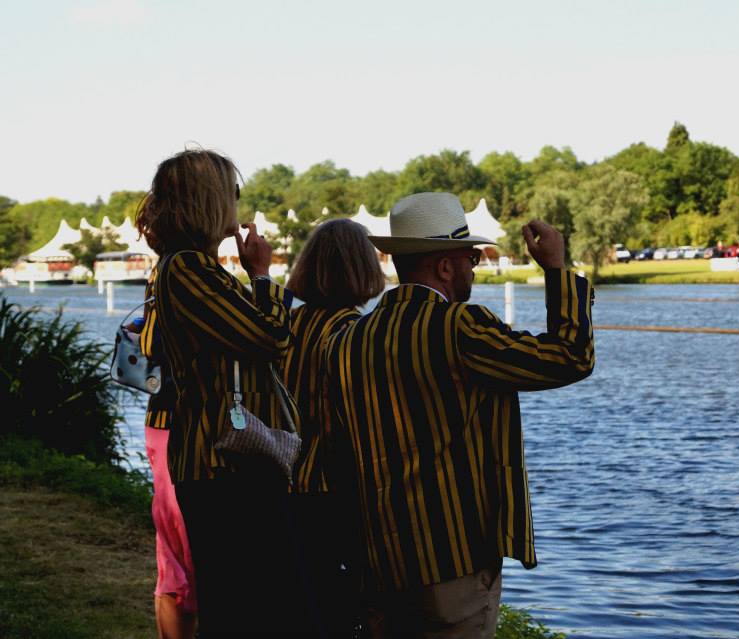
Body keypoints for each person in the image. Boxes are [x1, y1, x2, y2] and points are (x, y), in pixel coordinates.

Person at [322, 192, 595, 638]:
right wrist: (556, 271)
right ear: (445, 266)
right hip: (452, 560)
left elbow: (332, 451)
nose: (476, 267)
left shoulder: (347, 340)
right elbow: (570, 356)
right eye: (470, 257)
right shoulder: (459, 328)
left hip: (376, 561)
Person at [136, 149, 317, 635]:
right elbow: (271, 338)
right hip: (219, 462)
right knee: (245, 604)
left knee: (255, 601)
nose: (238, 205)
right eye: (232, 194)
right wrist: (262, 275)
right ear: (208, 201)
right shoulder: (188, 269)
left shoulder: (198, 268)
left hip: (227, 459)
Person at [281, 219, 385, 636]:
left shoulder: (284, 324)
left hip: (281, 480)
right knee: (341, 612)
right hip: (334, 489)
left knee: (300, 608)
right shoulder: (353, 332)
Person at [139, 268, 197, 639]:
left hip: (163, 420)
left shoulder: (164, 272)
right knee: (185, 552)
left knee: (174, 557)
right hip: (183, 424)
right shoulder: (188, 272)